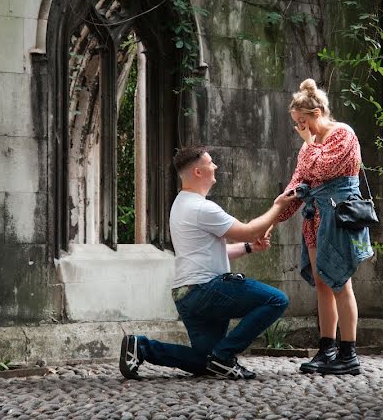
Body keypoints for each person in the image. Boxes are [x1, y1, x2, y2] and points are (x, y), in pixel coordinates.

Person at [119, 145, 295, 380]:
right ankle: (224, 356)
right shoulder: (202, 207)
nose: (216, 166)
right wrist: (278, 206)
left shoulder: (181, 204)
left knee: (205, 361)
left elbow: (211, 251)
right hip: (207, 290)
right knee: (277, 300)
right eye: (210, 162)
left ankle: (140, 346)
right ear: (198, 172)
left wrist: (249, 248)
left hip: (187, 295)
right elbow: (249, 230)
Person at [277, 78, 374, 375]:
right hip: (315, 217)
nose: (300, 128)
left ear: (317, 113)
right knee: (322, 283)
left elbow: (323, 169)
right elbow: (301, 178)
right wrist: (280, 206)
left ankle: (349, 354)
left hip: (339, 216)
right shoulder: (310, 143)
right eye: (297, 123)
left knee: (340, 281)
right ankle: (326, 348)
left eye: (303, 121)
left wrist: (308, 143)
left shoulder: (343, 134)